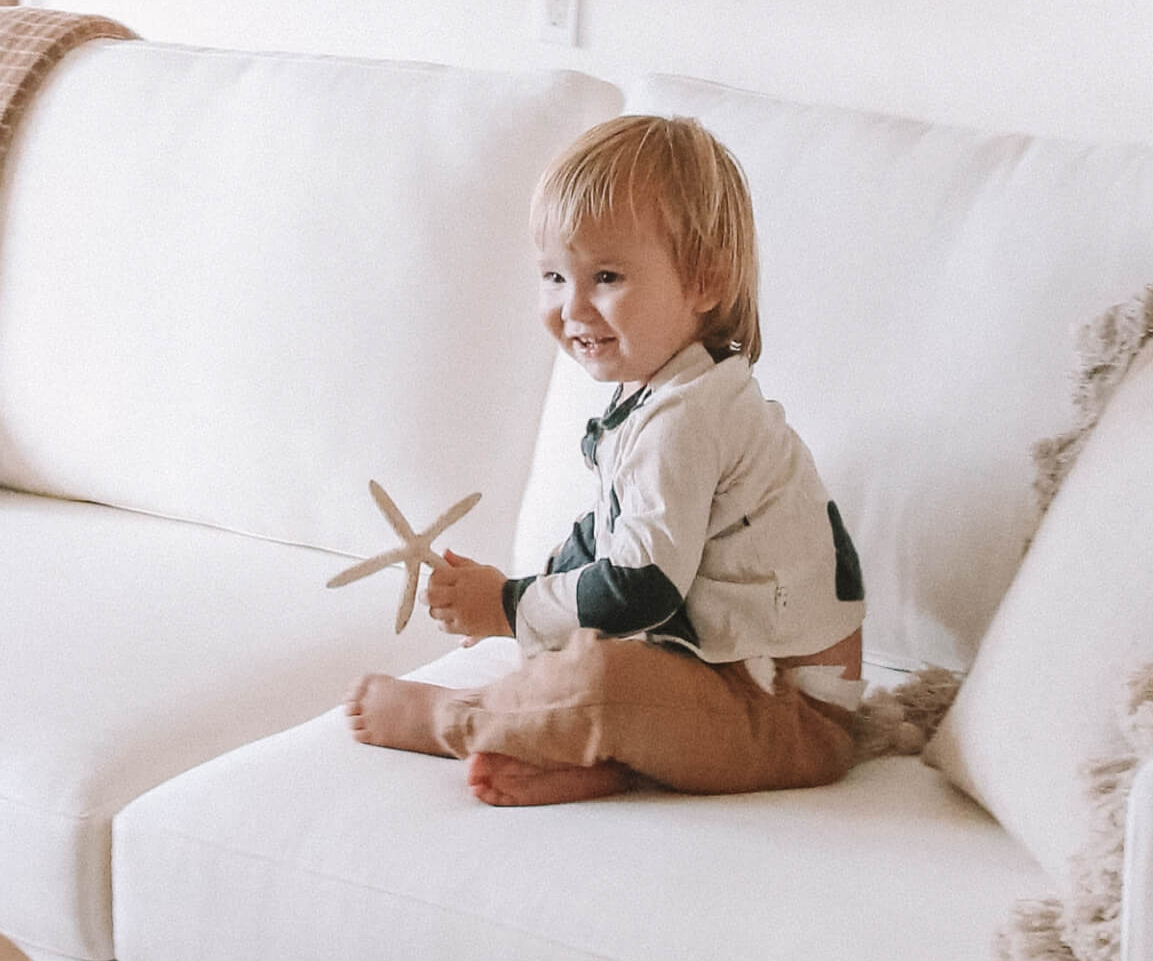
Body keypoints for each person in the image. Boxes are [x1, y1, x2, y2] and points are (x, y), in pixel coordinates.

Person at [345, 112, 867, 806]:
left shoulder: (687, 417)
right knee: (587, 654)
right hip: (711, 672)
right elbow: (608, 534)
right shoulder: (664, 393)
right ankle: (604, 757)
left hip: (784, 712)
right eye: (554, 276)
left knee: (604, 681)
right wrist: (531, 588)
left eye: (607, 276)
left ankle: (456, 718)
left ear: (704, 280)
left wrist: (506, 606)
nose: (572, 306)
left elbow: (641, 588)